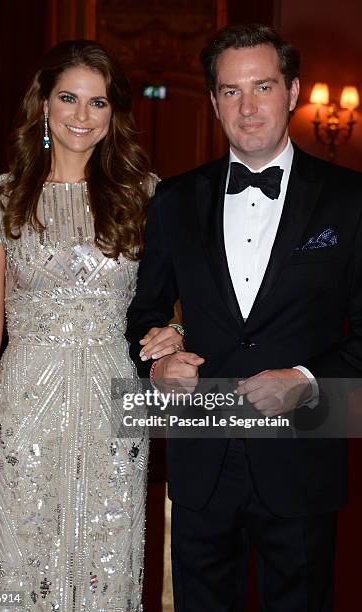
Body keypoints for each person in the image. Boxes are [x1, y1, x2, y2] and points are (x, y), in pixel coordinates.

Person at [127, 24, 362, 612]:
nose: (248, 106)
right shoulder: (175, 200)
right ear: (212, 102)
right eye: (230, 91)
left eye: (262, 87)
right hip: (200, 454)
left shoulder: (351, 200)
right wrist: (155, 365)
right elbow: (144, 311)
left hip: (303, 453)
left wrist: (307, 382)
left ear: (294, 91)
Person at [0, 39, 183, 611]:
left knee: (107, 569)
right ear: (45, 105)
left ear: (114, 114)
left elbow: (168, 307)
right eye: (69, 98)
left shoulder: (147, 198)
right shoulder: (1, 200)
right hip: (24, 407)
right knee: (19, 570)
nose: (82, 116)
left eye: (98, 103)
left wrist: (175, 331)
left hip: (113, 407)